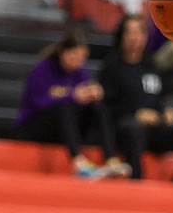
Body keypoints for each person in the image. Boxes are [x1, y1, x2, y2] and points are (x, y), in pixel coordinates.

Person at [16, 31, 129, 179]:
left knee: (98, 108)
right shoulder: (42, 69)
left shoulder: (80, 73)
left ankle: (110, 158)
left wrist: (93, 95)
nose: (77, 61)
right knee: (64, 107)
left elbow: (85, 98)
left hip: (66, 129)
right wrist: (71, 95)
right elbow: (38, 103)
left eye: (81, 58)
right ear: (63, 52)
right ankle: (78, 162)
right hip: (36, 125)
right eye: (73, 56)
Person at [100, 14, 173, 183]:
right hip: (126, 128)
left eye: (139, 33)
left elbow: (159, 97)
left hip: (154, 128)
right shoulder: (111, 68)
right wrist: (135, 114)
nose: (134, 38)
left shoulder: (151, 65)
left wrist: (166, 110)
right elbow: (106, 107)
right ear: (121, 36)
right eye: (129, 33)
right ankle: (135, 180)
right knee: (133, 129)